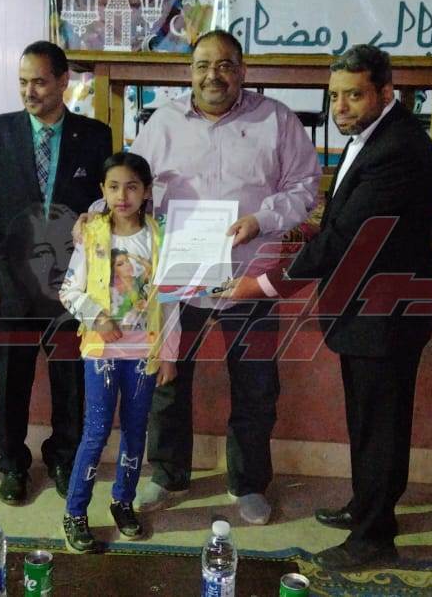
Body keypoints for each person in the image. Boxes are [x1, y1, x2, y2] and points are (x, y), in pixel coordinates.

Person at [121, 29, 320, 526]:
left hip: (249, 275)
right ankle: (168, 473)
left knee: (255, 384)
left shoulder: (276, 120)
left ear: (242, 71)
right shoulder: (162, 123)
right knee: (168, 378)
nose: (214, 75)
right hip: (179, 276)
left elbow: (304, 185)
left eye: (226, 64)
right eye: (203, 65)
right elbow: (133, 185)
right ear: (189, 72)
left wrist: (263, 219)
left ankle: (248, 482)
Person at [266, 44, 432, 569]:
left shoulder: (398, 149)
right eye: (335, 95)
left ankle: (373, 538)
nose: (340, 107)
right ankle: (369, 507)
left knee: (380, 426)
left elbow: (345, 238)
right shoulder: (374, 136)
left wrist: (269, 284)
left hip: (383, 314)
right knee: (370, 421)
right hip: (369, 310)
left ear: (386, 92)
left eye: (354, 95)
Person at [0, 41, 112, 505]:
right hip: (12, 284)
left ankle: (64, 456)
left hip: (70, 285)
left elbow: (104, 206)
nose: (29, 92)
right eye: (23, 82)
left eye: (40, 82)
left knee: (70, 379)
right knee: (11, 379)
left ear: (64, 81)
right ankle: (12, 463)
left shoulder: (95, 136)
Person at [58, 152, 179, 553]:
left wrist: (169, 353)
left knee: (135, 429)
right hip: (101, 352)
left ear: (146, 192)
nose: (122, 196)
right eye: (113, 187)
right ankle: (75, 511)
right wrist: (96, 318)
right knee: (95, 432)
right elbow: (68, 291)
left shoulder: (158, 236)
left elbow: (171, 299)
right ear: (102, 191)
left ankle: (123, 502)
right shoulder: (92, 234)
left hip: (145, 352)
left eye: (131, 187)